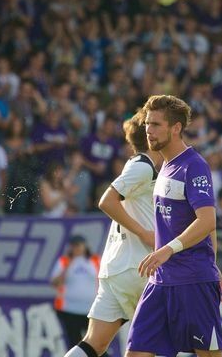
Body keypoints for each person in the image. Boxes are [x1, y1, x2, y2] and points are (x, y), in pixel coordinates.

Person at [126, 95, 222, 357]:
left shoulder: (194, 166)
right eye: (147, 124)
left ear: (176, 128)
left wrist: (169, 250)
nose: (148, 130)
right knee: (135, 353)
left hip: (191, 279)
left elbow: (208, 221)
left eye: (156, 124)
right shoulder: (165, 166)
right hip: (160, 281)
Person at [64, 111, 162, 357]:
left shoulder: (138, 166)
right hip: (140, 267)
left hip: (116, 268)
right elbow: (106, 201)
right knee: (149, 345)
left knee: (93, 344)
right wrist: (144, 233)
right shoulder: (142, 167)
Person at [51, 235, 100, 349]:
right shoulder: (64, 261)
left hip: (92, 310)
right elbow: (55, 283)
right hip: (69, 309)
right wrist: (67, 266)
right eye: (73, 246)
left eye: (78, 245)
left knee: (95, 344)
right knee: (74, 344)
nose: (76, 248)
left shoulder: (95, 260)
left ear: (85, 246)